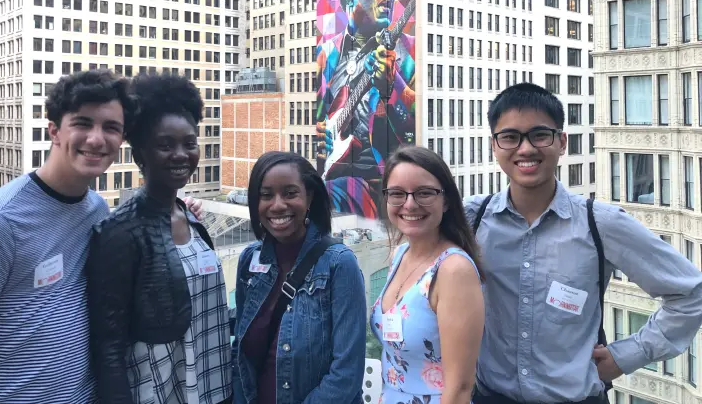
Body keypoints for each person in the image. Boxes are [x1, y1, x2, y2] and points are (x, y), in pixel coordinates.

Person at [466, 83, 702, 404]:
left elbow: (691, 293)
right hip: (488, 397)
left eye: (540, 135)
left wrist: (626, 356)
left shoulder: (599, 223)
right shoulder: (471, 218)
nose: (525, 149)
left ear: (562, 142)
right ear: (494, 145)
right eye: (510, 137)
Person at [0, 69, 132, 404]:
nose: (97, 139)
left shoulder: (96, 211)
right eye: (82, 123)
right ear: (54, 130)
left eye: (111, 127)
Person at [88, 72, 231, 404]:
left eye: (189, 143)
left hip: (213, 388)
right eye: (165, 145)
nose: (180, 154)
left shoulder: (192, 217)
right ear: (140, 155)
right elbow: (108, 345)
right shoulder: (120, 231)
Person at [231, 151, 366, 404]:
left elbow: (346, 376)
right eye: (266, 195)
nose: (278, 204)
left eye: (290, 193)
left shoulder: (339, 264)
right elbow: (240, 357)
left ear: (310, 197)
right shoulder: (249, 261)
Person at [372, 146, 484, 404]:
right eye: (397, 194)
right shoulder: (400, 255)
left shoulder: (454, 270)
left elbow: (460, 388)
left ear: (446, 201)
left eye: (424, 193)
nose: (410, 204)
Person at [316, 0, 416, 218]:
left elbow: (416, 123)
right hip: (341, 186)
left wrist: (392, 84)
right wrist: (323, 136)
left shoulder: (410, 50)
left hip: (391, 188)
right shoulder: (328, 53)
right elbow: (324, 117)